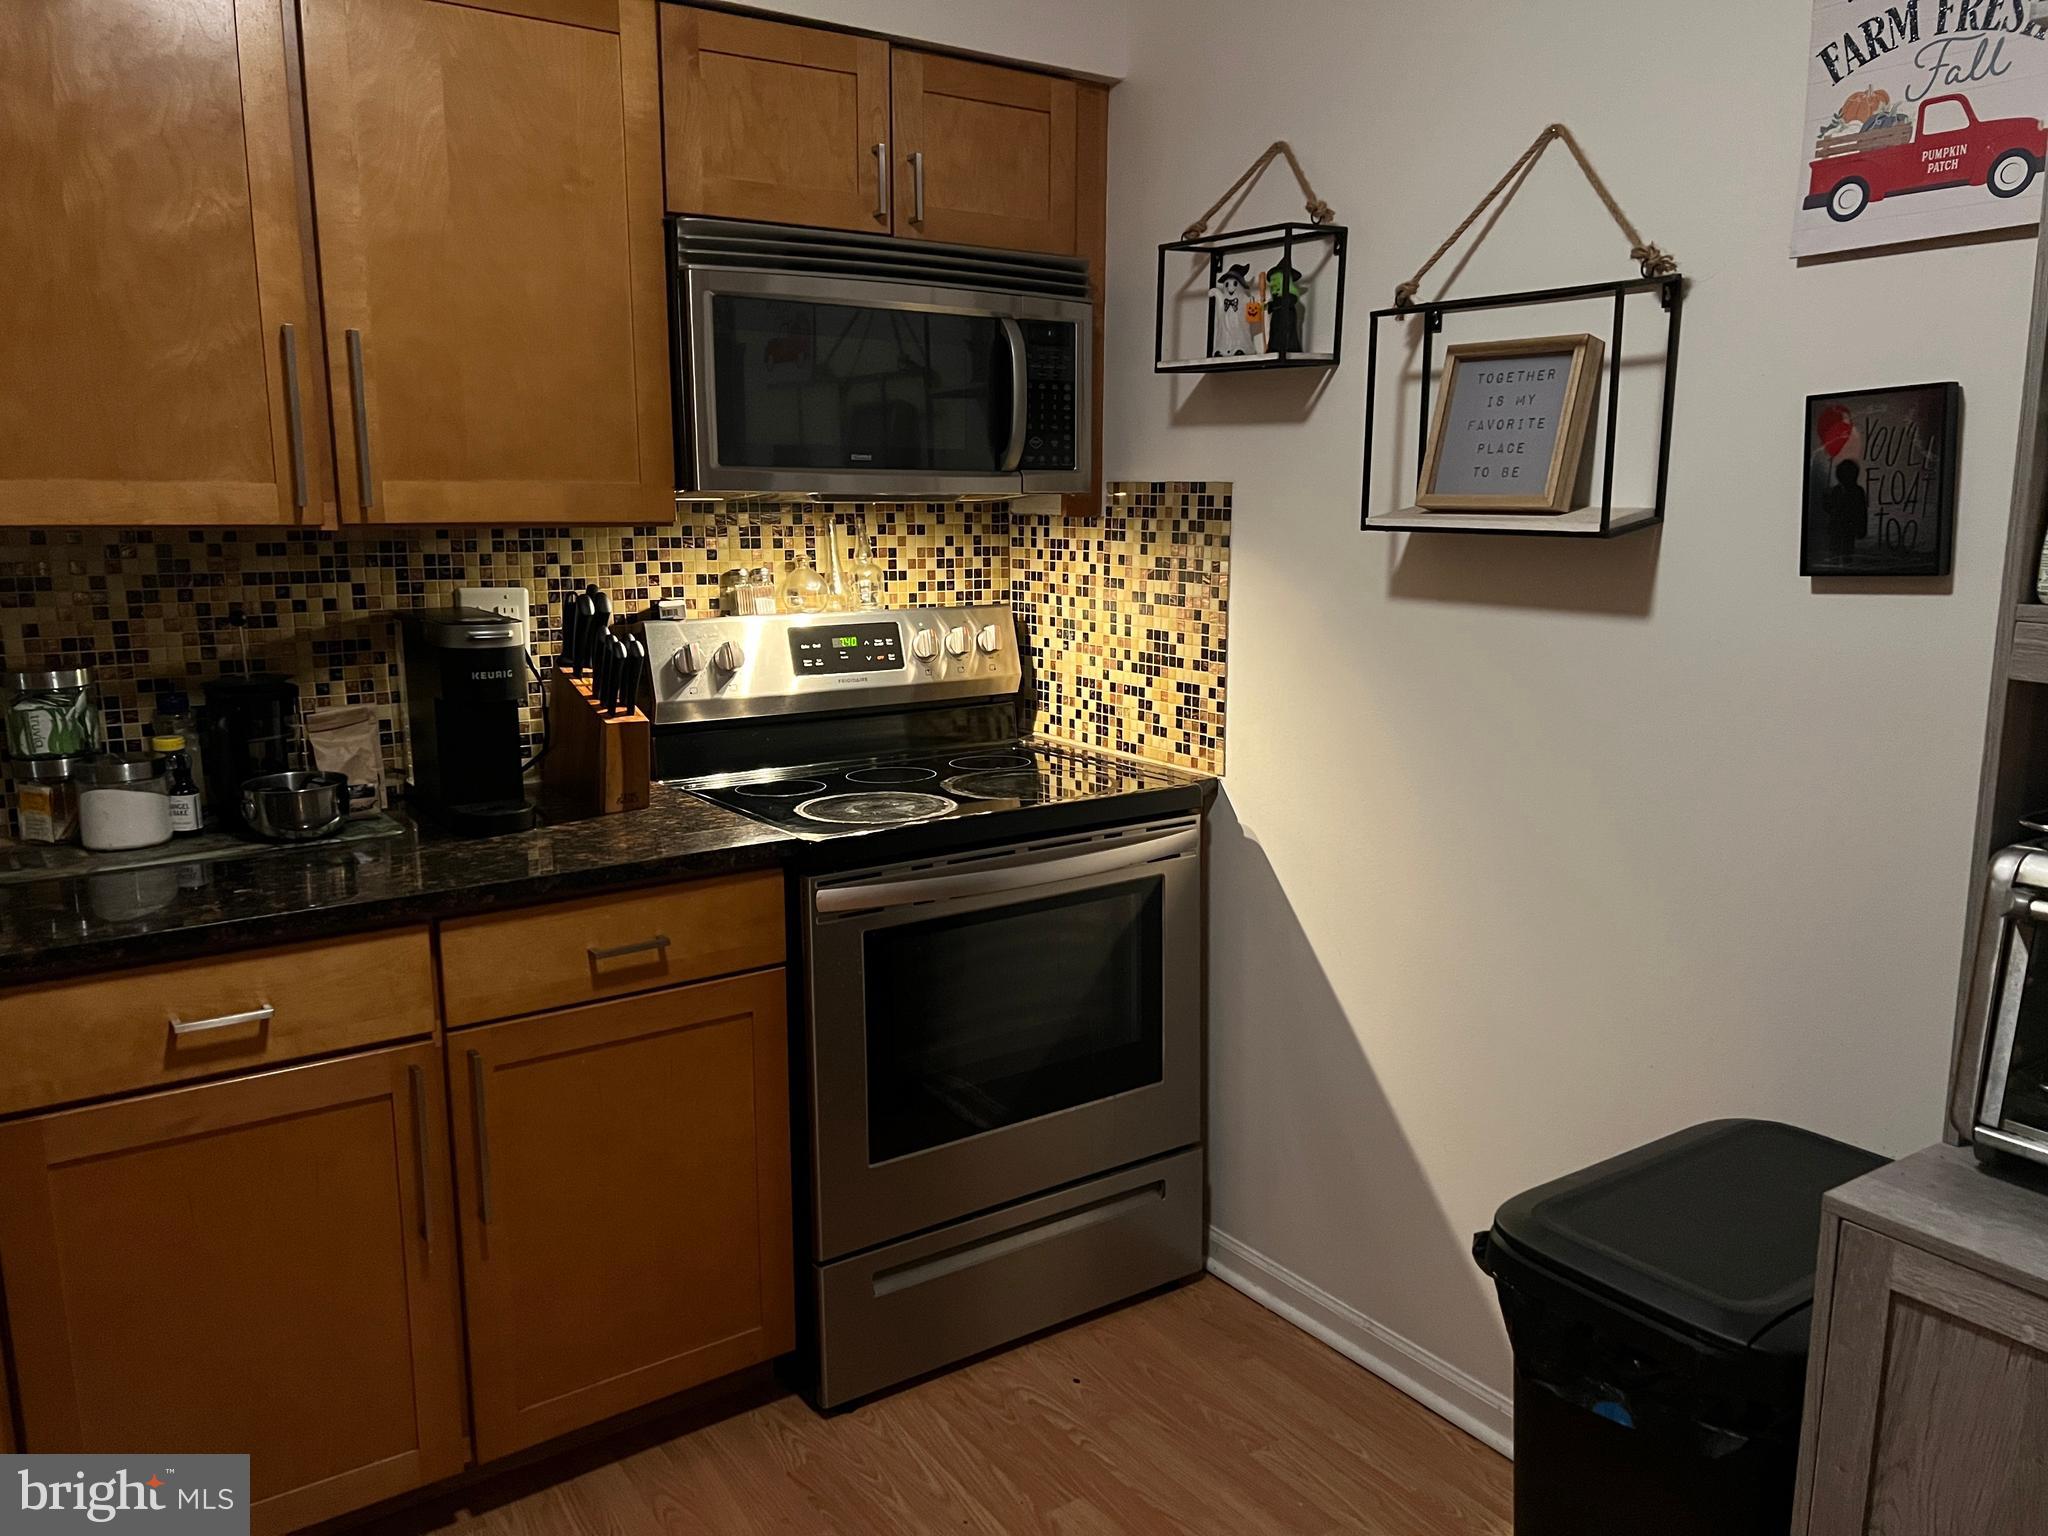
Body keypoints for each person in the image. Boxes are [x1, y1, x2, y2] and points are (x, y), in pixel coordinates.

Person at [1821, 458, 1868, 565]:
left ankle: (1844, 566)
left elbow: (1861, 511)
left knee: (1846, 551)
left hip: (1844, 528)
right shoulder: (1852, 490)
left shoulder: (1851, 491)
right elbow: (1829, 508)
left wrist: (1862, 529)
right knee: (1837, 552)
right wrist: (1825, 498)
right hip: (1840, 528)